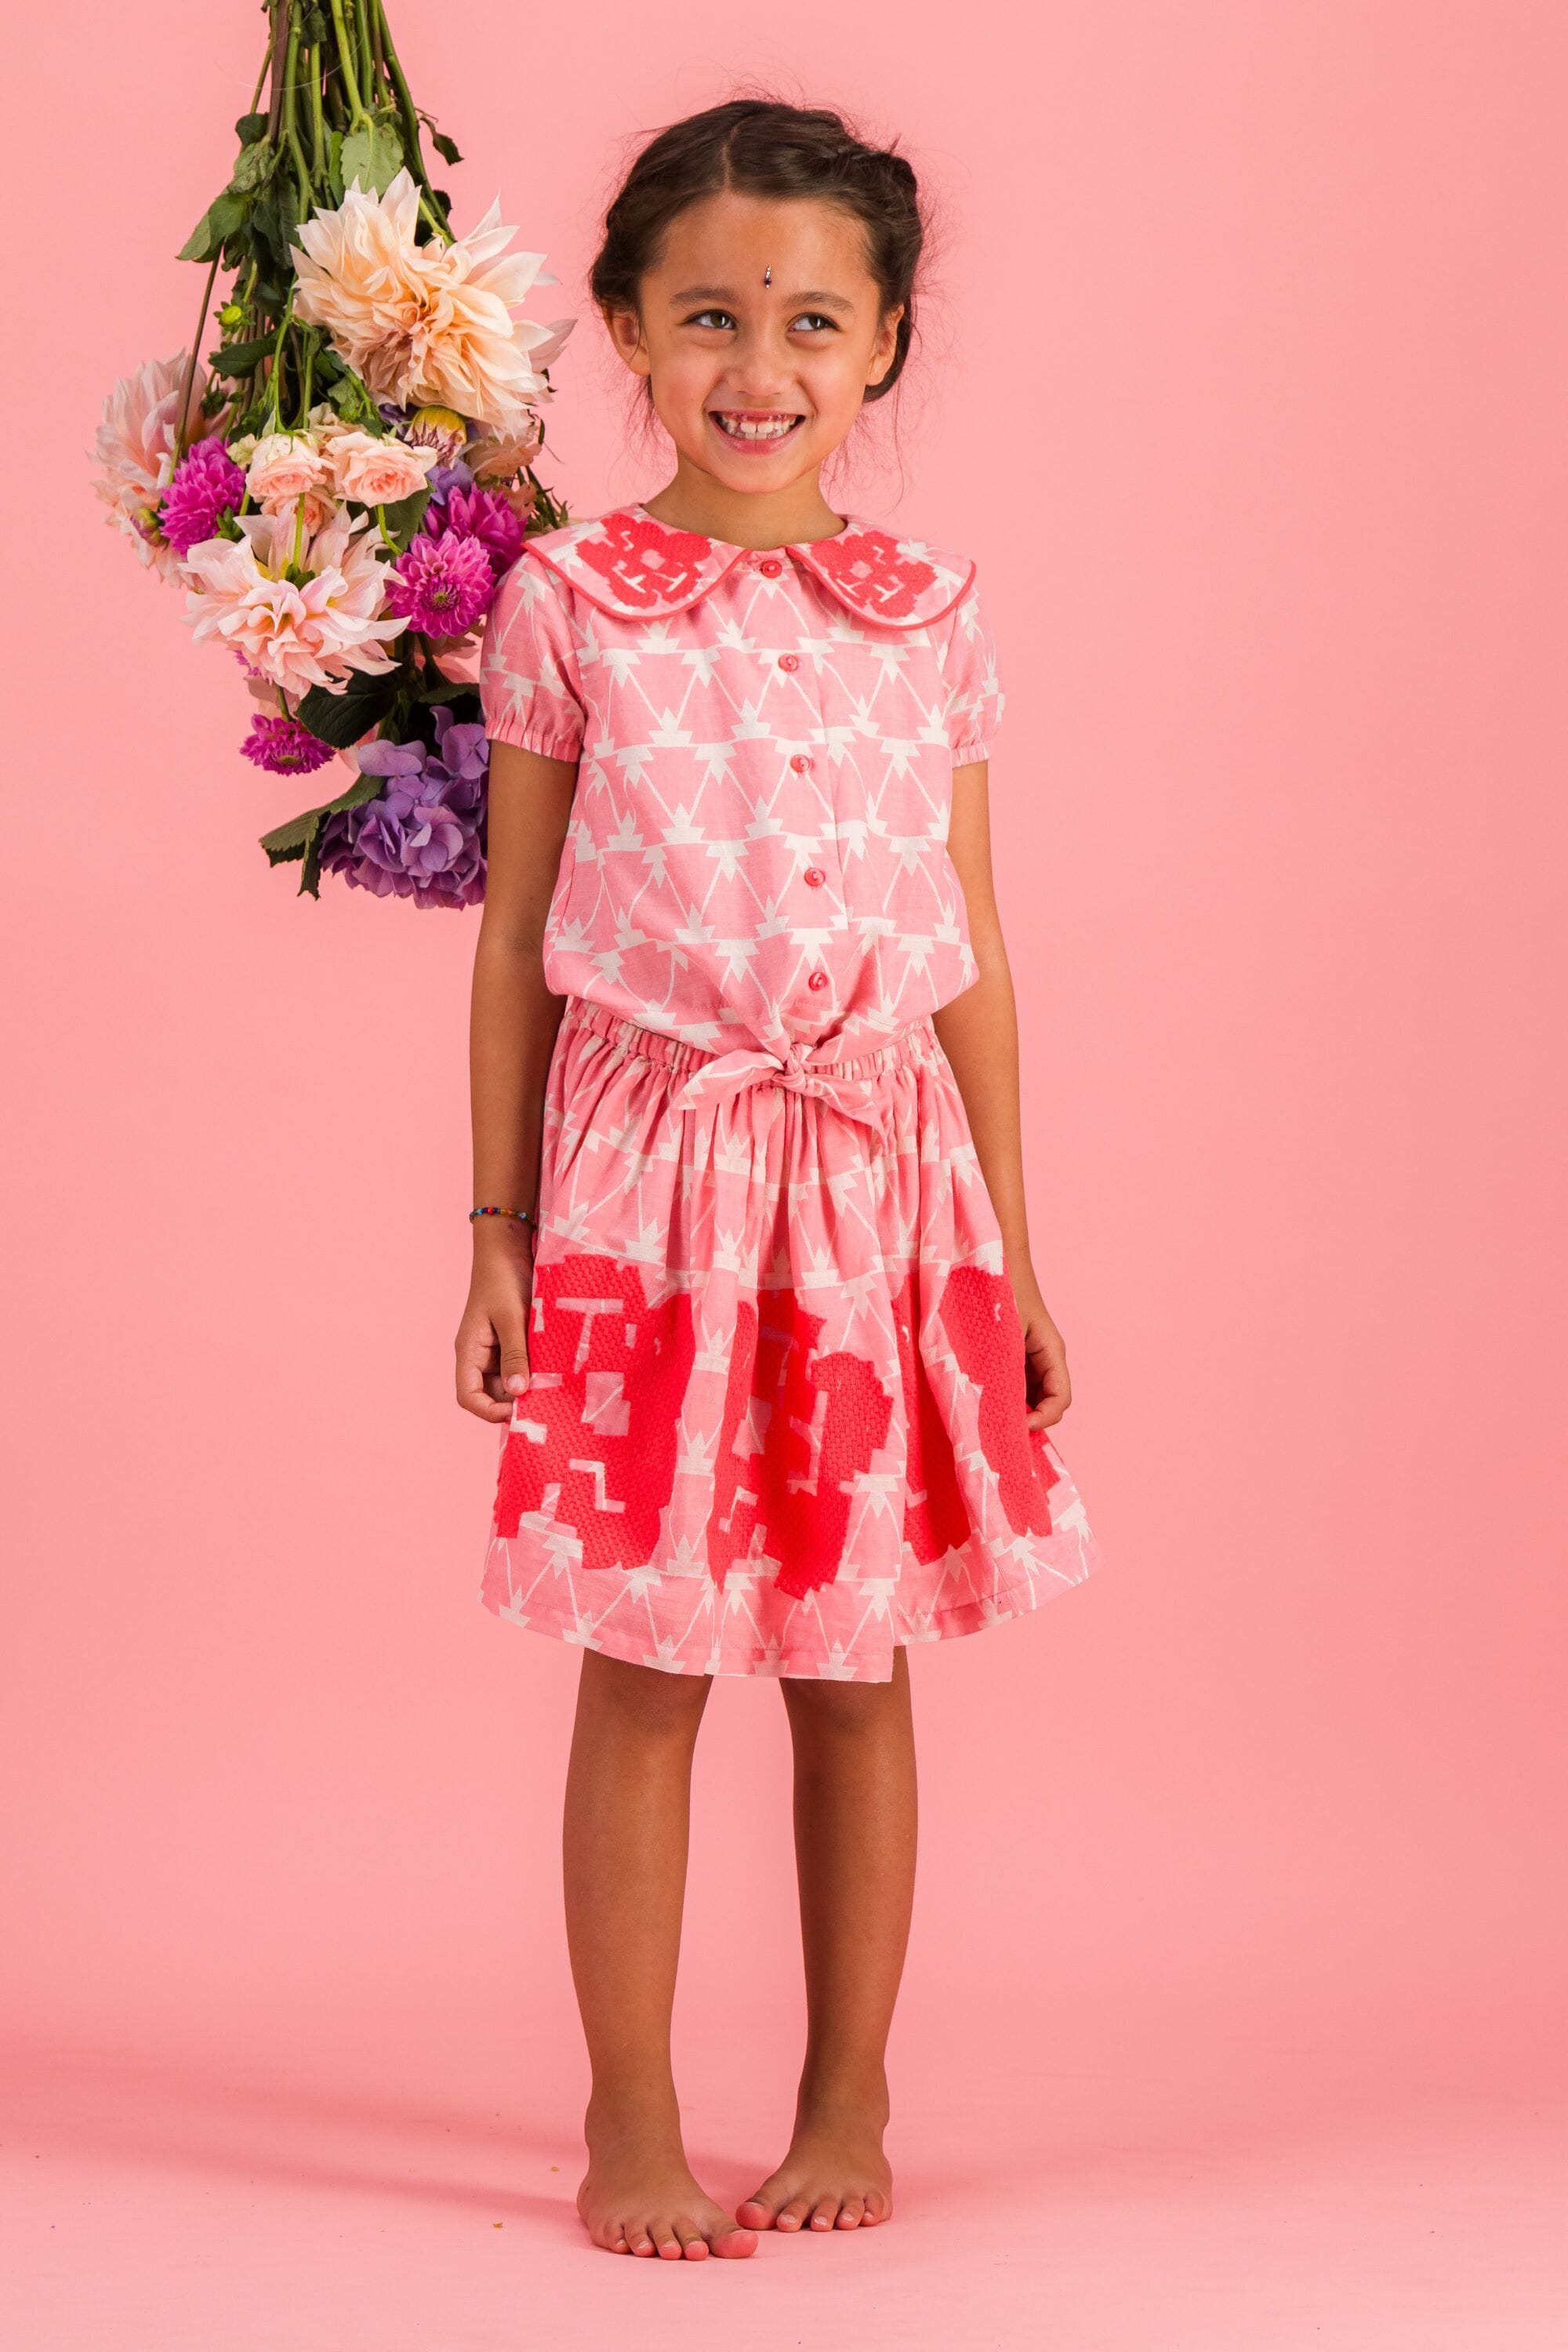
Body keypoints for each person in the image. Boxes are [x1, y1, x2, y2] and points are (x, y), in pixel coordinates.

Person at [455, 96, 1104, 2261]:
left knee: (854, 1662)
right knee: (645, 1663)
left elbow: (971, 943)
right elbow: (515, 941)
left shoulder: (931, 613)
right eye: (712, 314)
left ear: (885, 342)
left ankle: (850, 2096)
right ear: (629, 328)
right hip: (649, 1192)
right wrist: (498, 1237)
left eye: (815, 320)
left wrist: (1013, 1251)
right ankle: (627, 2116)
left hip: (879, 1193)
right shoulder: (569, 602)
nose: (761, 364)